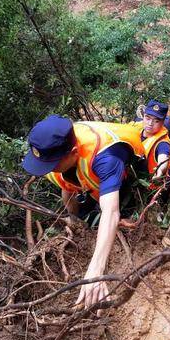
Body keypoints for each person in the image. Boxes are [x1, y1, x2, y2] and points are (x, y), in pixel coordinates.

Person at [22, 115, 145, 311]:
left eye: (51, 165)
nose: (48, 170)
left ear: (73, 153)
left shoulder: (106, 157)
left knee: (126, 207)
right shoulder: (55, 152)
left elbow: (111, 212)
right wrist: (74, 221)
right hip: (90, 174)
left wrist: (95, 271)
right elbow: (66, 184)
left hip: (132, 161)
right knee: (87, 207)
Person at [131, 100, 170, 181]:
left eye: (156, 121)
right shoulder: (134, 126)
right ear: (143, 116)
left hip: (145, 185)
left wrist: (160, 170)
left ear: (163, 122)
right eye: (147, 118)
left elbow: (163, 157)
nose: (150, 123)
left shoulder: (162, 143)